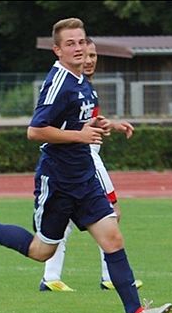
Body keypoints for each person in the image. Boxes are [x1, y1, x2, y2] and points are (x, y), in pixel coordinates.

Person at [0, 18, 172, 313]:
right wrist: (80, 136)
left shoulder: (81, 80)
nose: (78, 48)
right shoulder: (59, 83)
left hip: (84, 178)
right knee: (41, 251)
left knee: (113, 237)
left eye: (81, 41)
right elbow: (35, 130)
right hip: (58, 182)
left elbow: (81, 120)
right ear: (57, 50)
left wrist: (109, 124)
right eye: (70, 44)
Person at [39, 37, 143, 293]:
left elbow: (88, 121)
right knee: (111, 213)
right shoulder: (66, 84)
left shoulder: (84, 85)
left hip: (84, 158)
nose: (88, 60)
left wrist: (112, 125)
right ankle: (109, 277)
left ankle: (51, 277)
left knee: (69, 218)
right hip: (83, 159)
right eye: (84, 55)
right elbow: (42, 128)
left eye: (93, 55)